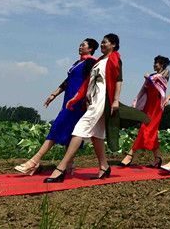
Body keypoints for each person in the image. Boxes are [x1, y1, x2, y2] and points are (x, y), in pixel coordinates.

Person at [44, 33, 149, 183]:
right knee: (96, 135)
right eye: (101, 42)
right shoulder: (99, 61)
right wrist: (77, 97)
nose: (102, 45)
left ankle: (60, 169)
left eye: (105, 42)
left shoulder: (115, 59)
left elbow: (118, 81)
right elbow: (88, 82)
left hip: (102, 100)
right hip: (93, 100)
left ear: (113, 44)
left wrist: (115, 101)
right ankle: (104, 167)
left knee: (79, 129)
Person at [15, 39, 98, 176]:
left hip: (77, 102)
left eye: (83, 45)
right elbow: (67, 82)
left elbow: (91, 82)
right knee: (69, 131)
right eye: (80, 44)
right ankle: (70, 164)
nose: (80, 46)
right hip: (68, 99)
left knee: (57, 127)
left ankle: (34, 161)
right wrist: (53, 95)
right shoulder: (77, 63)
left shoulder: (91, 62)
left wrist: (85, 100)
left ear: (91, 48)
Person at [117, 55, 170, 168]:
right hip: (148, 106)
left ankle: (130, 155)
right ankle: (157, 158)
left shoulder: (164, 75)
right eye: (154, 62)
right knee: (151, 131)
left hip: (157, 107)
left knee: (145, 128)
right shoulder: (152, 76)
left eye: (157, 63)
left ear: (161, 65)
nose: (154, 64)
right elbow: (145, 89)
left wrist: (149, 78)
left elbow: (158, 85)